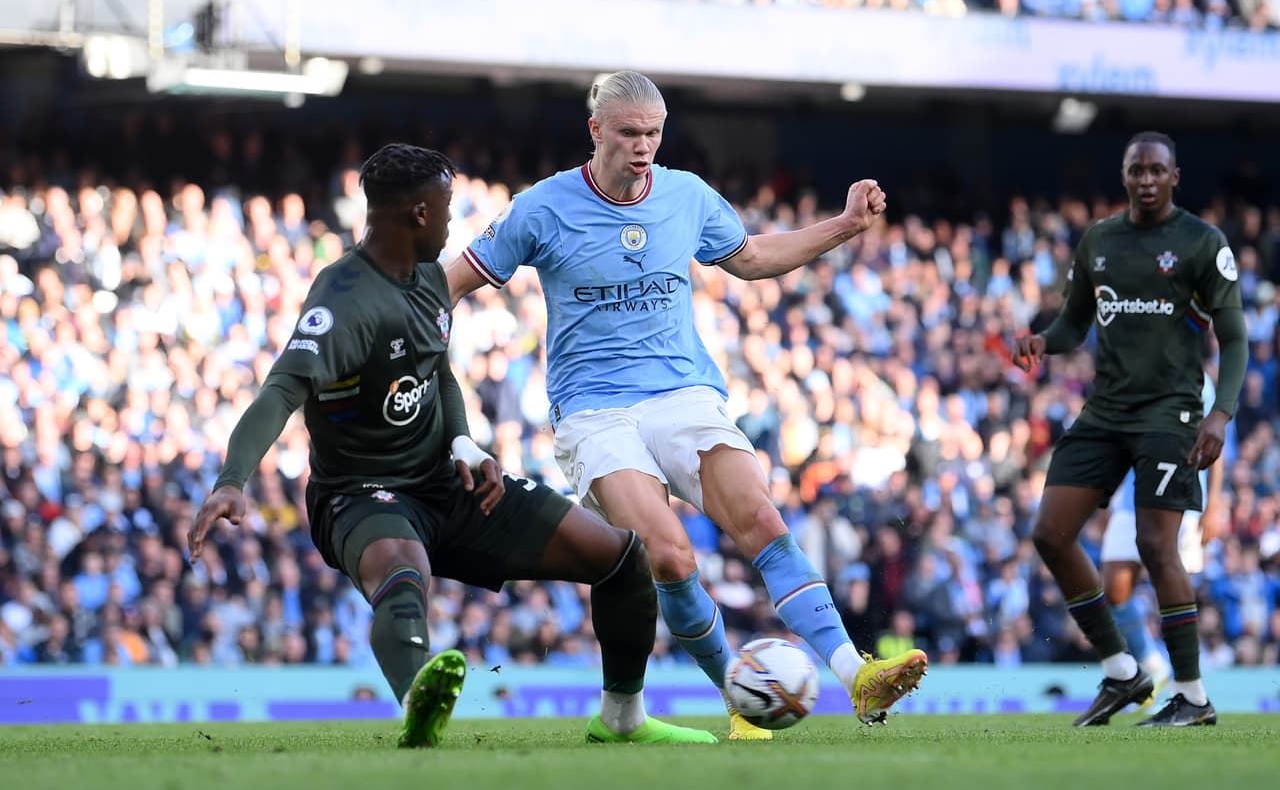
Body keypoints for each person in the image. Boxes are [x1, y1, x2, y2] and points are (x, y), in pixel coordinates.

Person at [446, 70, 928, 740]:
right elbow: (448, 284)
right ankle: (740, 696)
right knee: (669, 555)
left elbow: (753, 257)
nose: (643, 146)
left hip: (683, 394)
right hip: (595, 411)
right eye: (629, 133)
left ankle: (856, 673)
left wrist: (846, 225)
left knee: (760, 512)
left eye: (653, 133)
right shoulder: (543, 207)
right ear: (595, 131)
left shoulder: (686, 196)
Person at [187, 143, 716, 748]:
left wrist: (464, 442)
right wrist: (232, 478)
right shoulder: (345, 299)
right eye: (445, 208)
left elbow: (436, 372)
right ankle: (420, 706)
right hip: (362, 495)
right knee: (403, 571)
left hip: (447, 482)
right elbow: (282, 389)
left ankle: (623, 720)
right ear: (417, 214)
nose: (450, 221)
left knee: (623, 558)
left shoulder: (430, 283)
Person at [1013, 131, 1246, 728]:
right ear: (1124, 176)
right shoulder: (1100, 241)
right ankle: (1123, 672)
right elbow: (1073, 322)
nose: (1145, 179)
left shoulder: (1201, 242)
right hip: (1106, 411)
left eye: (1155, 170)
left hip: (1171, 413)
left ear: (1174, 176)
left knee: (1154, 545)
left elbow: (1236, 336)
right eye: (1135, 170)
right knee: (1050, 533)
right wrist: (1044, 341)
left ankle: (1193, 698)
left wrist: (1220, 413)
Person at [1100, 374, 1228, 707]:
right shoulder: (1129, 371)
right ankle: (1152, 662)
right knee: (1114, 586)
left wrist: (1214, 503)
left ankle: (1185, 684)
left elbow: (1216, 444)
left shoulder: (1198, 382)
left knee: (1171, 591)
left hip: (1178, 498)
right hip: (1131, 496)